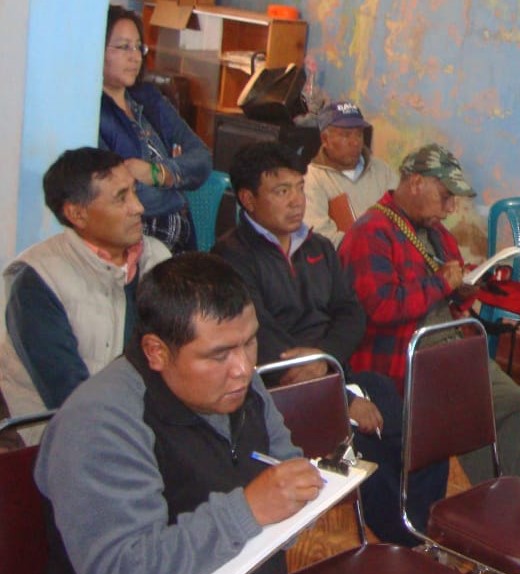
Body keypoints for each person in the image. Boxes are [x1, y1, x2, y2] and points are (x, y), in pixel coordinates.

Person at [35, 253, 387, 574]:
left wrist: (305, 494)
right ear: (156, 351)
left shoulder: (241, 387)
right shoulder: (98, 423)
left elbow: (283, 463)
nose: (243, 368)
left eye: (250, 341)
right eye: (219, 354)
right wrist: (249, 509)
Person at [212, 141, 446, 546]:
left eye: (299, 188)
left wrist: (327, 361)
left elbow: (351, 314)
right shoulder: (230, 258)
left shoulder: (318, 247)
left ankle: (424, 530)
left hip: (334, 370)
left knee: (423, 433)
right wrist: (339, 395)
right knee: (364, 449)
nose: (296, 201)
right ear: (248, 200)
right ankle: (407, 543)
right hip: (276, 389)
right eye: (281, 191)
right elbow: (259, 337)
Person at [339, 143, 520, 484]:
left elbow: (445, 299)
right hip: (408, 358)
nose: (450, 208)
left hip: (451, 346)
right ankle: (481, 494)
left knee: (517, 403)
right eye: (445, 196)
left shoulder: (436, 233)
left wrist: (462, 292)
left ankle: (497, 495)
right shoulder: (371, 232)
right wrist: (441, 283)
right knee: (479, 412)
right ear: (416, 183)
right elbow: (381, 307)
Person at [0, 147, 170, 442]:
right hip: (61, 439)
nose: (138, 207)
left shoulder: (157, 258)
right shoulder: (37, 281)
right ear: (77, 214)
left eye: (134, 191)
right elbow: (70, 396)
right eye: (121, 198)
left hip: (146, 424)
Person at [99, 6, 211, 253]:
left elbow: (202, 159)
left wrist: (159, 173)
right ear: (97, 48)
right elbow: (117, 194)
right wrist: (179, 188)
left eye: (139, 47)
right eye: (124, 47)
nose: (135, 57)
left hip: (180, 247)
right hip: (134, 248)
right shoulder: (94, 114)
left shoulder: (149, 99)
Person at [303, 100, 398, 247]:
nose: (355, 142)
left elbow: (402, 216)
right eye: (346, 135)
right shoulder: (311, 179)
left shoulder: (381, 169)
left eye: (359, 134)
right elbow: (320, 237)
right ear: (325, 139)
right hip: (346, 259)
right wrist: (373, 246)